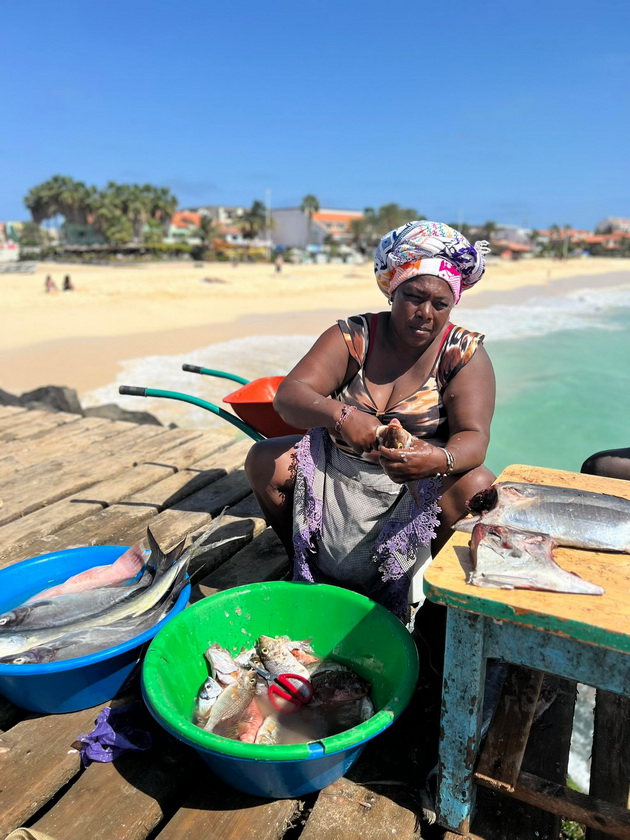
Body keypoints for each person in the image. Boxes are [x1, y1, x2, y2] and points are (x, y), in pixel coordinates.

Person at [245, 221, 496, 623]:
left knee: (478, 487)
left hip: (414, 486)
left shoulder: (462, 353)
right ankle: (303, 568)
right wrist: (342, 416)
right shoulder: (355, 336)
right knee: (263, 460)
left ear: (454, 303)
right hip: (336, 468)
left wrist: (436, 459)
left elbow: (475, 437)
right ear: (392, 289)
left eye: (440, 303)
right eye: (413, 297)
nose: (424, 314)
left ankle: (440, 616)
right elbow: (290, 396)